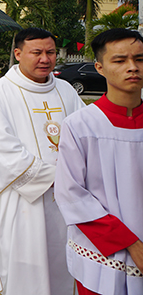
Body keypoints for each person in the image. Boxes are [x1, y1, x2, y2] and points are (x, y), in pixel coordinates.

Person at [0, 28, 84, 294]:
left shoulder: (66, 90)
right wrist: (59, 176)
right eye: (37, 53)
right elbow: (3, 150)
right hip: (23, 200)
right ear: (18, 54)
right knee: (26, 271)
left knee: (63, 268)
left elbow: (86, 133)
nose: (45, 59)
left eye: (51, 52)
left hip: (67, 200)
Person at [55, 28, 143, 295]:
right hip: (103, 250)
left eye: (139, 59)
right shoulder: (80, 125)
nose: (132, 67)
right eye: (120, 60)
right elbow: (71, 195)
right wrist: (130, 243)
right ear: (99, 67)